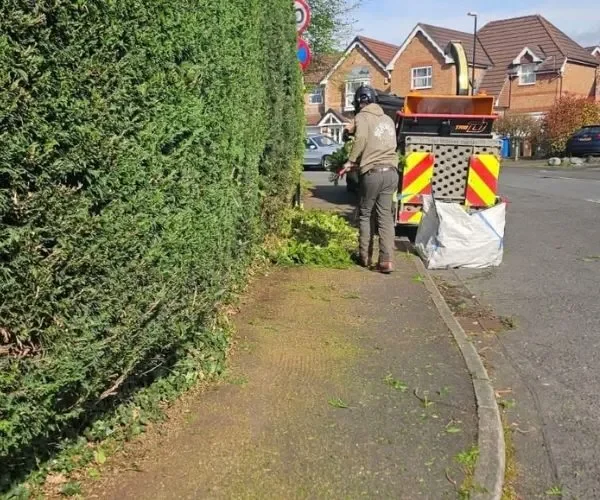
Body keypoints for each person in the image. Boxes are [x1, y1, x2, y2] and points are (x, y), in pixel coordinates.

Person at [338, 85, 399, 274]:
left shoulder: (362, 116)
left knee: (365, 214)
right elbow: (388, 144)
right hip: (391, 173)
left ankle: (365, 257)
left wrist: (350, 162)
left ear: (359, 102)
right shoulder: (388, 119)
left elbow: (362, 139)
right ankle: (386, 260)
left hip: (372, 174)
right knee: (385, 217)